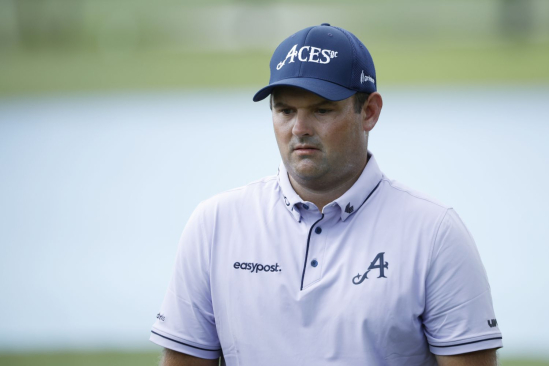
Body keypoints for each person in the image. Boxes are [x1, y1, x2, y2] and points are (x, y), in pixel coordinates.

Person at [149, 24, 502, 366]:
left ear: (369, 112)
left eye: (321, 110)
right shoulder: (215, 223)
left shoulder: (435, 233)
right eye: (285, 110)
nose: (299, 129)